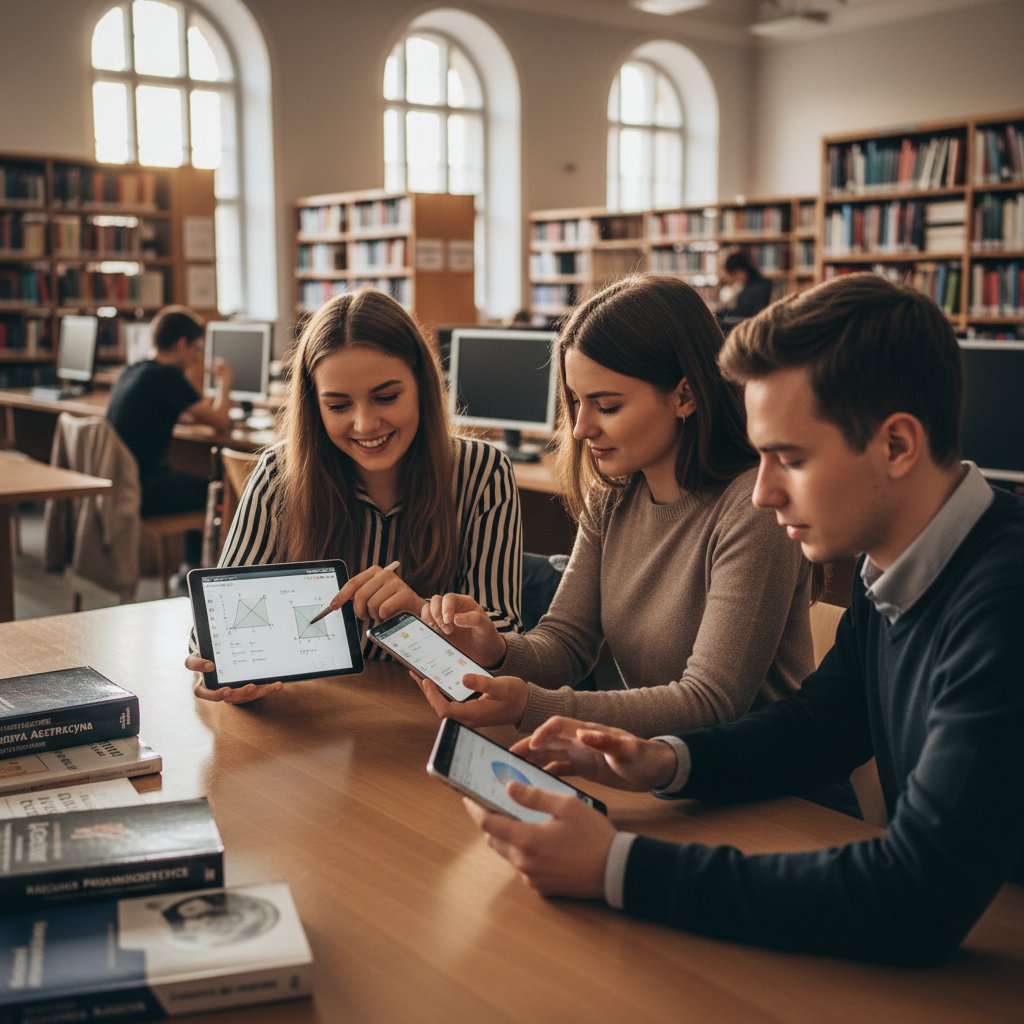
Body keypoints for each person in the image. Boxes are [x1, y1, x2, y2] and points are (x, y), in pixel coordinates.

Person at [461, 272, 1024, 967]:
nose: (762, 491)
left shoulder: (1002, 604)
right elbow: (820, 727)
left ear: (898, 446)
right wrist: (665, 761)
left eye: (790, 458)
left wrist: (618, 868)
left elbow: (914, 896)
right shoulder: (897, 565)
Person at [413, 274, 813, 739]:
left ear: (685, 396)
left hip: (771, 793)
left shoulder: (753, 508)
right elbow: (566, 642)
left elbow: (710, 702)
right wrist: (496, 650)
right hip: (653, 768)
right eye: (576, 401)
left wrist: (533, 705)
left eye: (607, 405)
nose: (581, 429)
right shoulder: (613, 494)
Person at [187, 287, 523, 704]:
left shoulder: (483, 473)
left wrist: (420, 614)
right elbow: (212, 629)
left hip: (423, 720)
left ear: (422, 384)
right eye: (338, 406)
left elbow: (502, 646)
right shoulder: (279, 474)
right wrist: (218, 668)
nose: (365, 424)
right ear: (315, 407)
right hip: (310, 718)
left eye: (386, 397)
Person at [107, 305, 233, 589]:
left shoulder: (136, 370)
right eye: (196, 348)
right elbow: (221, 422)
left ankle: (188, 568)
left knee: (195, 477)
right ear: (181, 344)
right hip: (143, 490)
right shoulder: (167, 377)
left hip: (124, 484)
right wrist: (225, 382)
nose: (197, 356)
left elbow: (189, 413)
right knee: (216, 489)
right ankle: (202, 574)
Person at [716, 250, 773, 331]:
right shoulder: (755, 285)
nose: (733, 280)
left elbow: (743, 313)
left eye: (732, 275)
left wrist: (719, 315)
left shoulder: (757, 289)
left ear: (740, 271)